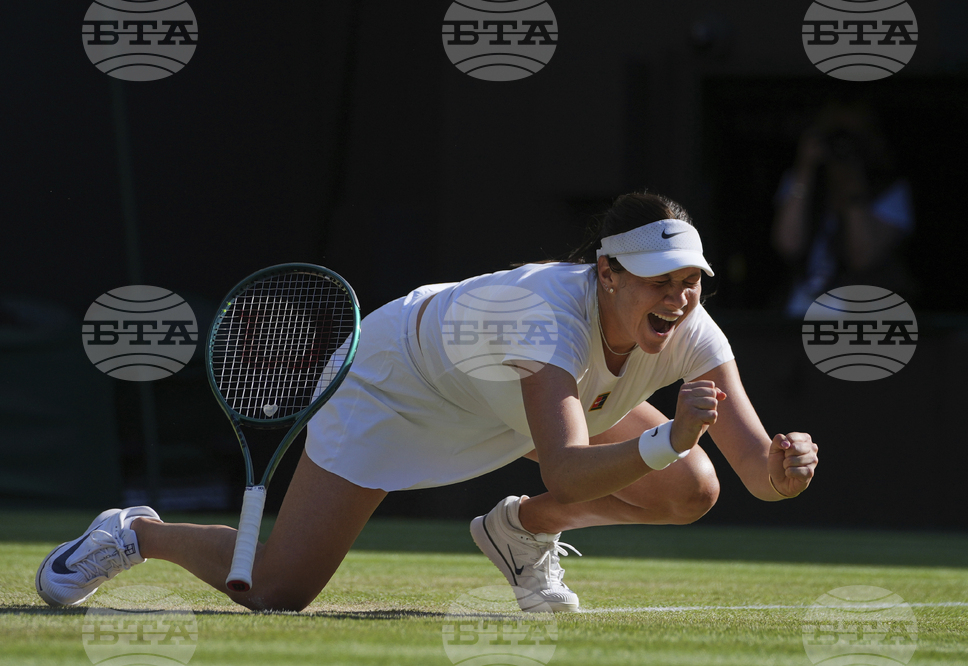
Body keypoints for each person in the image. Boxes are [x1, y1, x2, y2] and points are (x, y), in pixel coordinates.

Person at [37, 192, 818, 613]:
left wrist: (787, 467)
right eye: (661, 281)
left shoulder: (689, 323)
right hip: (395, 383)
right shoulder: (544, 317)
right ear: (608, 274)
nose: (681, 299)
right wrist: (670, 434)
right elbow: (569, 469)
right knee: (277, 590)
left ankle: (517, 537)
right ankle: (138, 533)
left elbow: (755, 470)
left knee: (693, 488)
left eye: (690, 282)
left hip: (512, 400)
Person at [772, 99, 916, 316]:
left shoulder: (890, 190)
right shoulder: (804, 183)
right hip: (800, 312)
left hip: (864, 317)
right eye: (836, 135)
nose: (842, 145)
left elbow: (862, 256)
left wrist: (853, 187)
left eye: (853, 136)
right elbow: (788, 244)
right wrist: (805, 168)